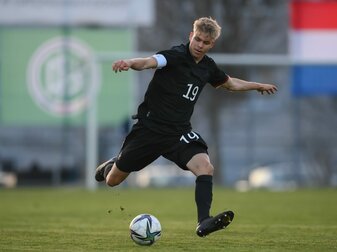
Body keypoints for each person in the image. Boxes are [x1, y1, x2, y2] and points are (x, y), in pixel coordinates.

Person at [95, 17, 277, 237]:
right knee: (112, 181)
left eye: (206, 43)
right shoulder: (174, 56)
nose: (200, 45)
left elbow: (230, 83)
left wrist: (257, 86)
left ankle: (204, 221)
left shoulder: (208, 67)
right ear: (191, 36)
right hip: (150, 130)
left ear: (212, 45)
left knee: (205, 167)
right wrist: (128, 63)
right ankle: (112, 164)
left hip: (178, 132)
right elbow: (147, 62)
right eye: (197, 39)